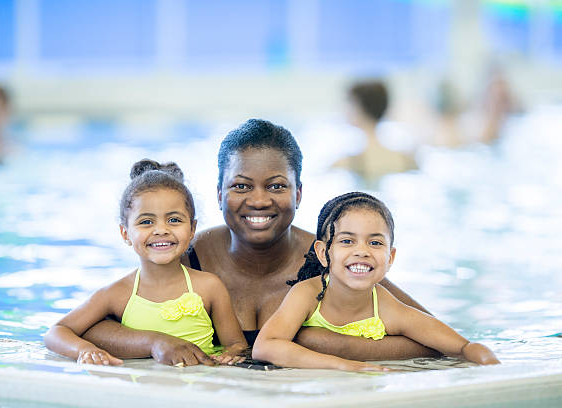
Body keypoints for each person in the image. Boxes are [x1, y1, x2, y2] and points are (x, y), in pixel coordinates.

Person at [82, 119, 439, 365]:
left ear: (298, 194)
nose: (259, 200)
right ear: (218, 194)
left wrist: (325, 345)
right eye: (240, 186)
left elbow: (433, 337)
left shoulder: (331, 260)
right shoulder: (185, 258)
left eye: (276, 186)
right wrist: (153, 341)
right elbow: (90, 327)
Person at [252, 192, 500, 371]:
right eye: (347, 241)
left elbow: (460, 346)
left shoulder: (385, 306)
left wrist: (489, 362)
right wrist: (343, 365)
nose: (362, 251)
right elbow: (265, 347)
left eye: (375, 242)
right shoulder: (306, 294)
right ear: (322, 253)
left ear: (390, 257)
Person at [44, 159, 247, 366]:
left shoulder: (209, 286)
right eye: (146, 222)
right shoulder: (117, 293)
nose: (161, 230)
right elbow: (57, 332)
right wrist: (86, 350)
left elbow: (236, 344)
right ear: (125, 233)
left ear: (192, 228)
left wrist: (230, 353)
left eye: (174, 220)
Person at [333, 80, 417, 184]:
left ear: (358, 107)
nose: (344, 109)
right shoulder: (407, 159)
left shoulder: (345, 163)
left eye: (348, 102)